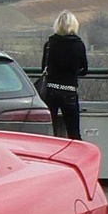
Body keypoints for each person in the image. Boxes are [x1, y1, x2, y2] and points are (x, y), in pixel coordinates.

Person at [39, 10, 89, 139]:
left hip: (50, 91)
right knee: (74, 133)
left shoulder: (49, 44)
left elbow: (43, 68)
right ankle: (75, 157)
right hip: (69, 91)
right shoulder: (78, 45)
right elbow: (84, 70)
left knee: (50, 133)